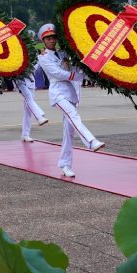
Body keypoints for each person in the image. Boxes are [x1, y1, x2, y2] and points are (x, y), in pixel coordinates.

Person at [37, 24, 104, 178]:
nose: (52, 40)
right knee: (74, 116)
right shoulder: (43, 57)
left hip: (70, 93)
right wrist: (80, 77)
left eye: (53, 37)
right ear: (43, 40)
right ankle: (91, 141)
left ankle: (65, 164)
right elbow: (58, 74)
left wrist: (91, 75)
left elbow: (74, 69)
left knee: (69, 130)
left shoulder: (63, 54)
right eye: (48, 38)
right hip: (58, 94)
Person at [14, 64, 49, 142]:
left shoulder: (34, 55)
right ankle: (39, 117)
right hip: (19, 81)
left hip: (30, 82)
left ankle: (25, 135)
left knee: (28, 110)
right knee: (28, 97)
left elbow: (34, 69)